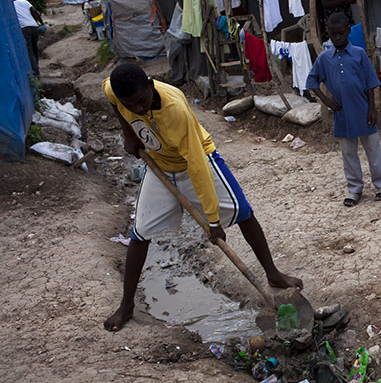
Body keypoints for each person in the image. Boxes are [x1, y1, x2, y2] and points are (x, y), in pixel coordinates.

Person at [102, 63, 303, 332]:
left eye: (141, 101)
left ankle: (272, 273)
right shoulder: (115, 91)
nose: (138, 108)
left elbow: (197, 166)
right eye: (131, 105)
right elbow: (114, 101)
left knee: (243, 213)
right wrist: (128, 133)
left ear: (151, 84)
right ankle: (127, 304)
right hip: (160, 165)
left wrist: (212, 220)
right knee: (140, 232)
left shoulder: (175, 109)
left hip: (196, 160)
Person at [307, 12, 381, 207]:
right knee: (348, 153)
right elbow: (311, 82)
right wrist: (326, 101)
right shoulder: (324, 58)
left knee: (373, 149)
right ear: (328, 33)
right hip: (342, 114)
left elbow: (371, 83)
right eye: (333, 33)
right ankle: (354, 190)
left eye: (341, 33)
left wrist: (372, 109)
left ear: (348, 31)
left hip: (363, 111)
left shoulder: (359, 54)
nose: (337, 37)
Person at [12, 0, 44, 77]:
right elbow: (35, 12)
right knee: (35, 48)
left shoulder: (10, 6)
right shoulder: (24, 1)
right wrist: (42, 23)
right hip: (34, 26)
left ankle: (35, 72)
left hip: (24, 29)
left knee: (29, 50)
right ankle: (36, 67)